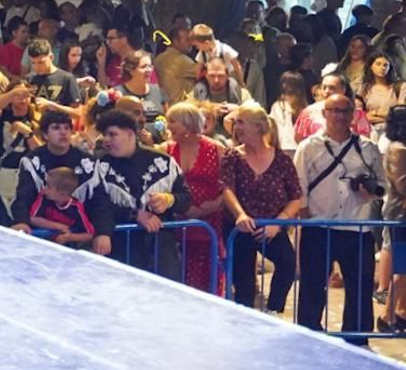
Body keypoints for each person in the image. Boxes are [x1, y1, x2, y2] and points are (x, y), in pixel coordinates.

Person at [293, 92, 385, 343]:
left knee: (359, 288)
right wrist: (304, 213)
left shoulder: (367, 148)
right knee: (312, 285)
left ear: (353, 115)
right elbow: (298, 183)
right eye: (333, 110)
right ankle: (309, 335)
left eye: (345, 111)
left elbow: (382, 185)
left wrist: (370, 190)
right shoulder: (308, 147)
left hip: (357, 226)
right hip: (318, 224)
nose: (339, 116)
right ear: (324, 113)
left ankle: (355, 339)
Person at [87, 109, 191, 278]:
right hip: (121, 250)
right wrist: (134, 214)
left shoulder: (163, 162)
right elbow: (97, 205)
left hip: (160, 250)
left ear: (129, 134)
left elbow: (186, 199)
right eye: (104, 135)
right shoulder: (100, 165)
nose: (106, 140)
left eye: (112, 135)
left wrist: (169, 199)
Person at [220, 105, 302, 313]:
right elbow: (226, 188)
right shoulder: (233, 157)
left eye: (241, 122)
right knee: (244, 279)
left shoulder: (281, 160)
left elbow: (296, 197)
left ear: (257, 127)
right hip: (242, 226)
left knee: (287, 264)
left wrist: (278, 222)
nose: (236, 127)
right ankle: (245, 321)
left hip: (271, 225)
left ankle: (273, 310)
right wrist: (240, 215)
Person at [164, 103, 225, 293]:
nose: (168, 126)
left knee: (208, 278)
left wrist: (212, 206)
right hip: (177, 222)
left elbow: (230, 186)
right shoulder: (165, 149)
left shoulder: (217, 149)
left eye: (173, 121)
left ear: (188, 123)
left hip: (210, 221)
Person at [10, 109, 95, 228]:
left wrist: (102, 233)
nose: (63, 132)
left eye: (67, 128)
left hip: (78, 230)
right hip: (40, 229)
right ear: (45, 134)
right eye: (56, 128)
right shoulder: (32, 161)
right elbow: (23, 197)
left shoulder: (87, 162)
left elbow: (98, 200)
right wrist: (22, 222)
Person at [381, 105, 406, 332]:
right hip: (400, 213)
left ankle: (398, 313)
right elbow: (402, 182)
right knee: (401, 268)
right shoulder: (398, 149)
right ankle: (387, 315)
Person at [27, 167, 96, 247]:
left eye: (48, 186)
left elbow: (90, 234)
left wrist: (70, 237)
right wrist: (58, 226)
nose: (44, 188)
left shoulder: (76, 208)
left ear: (62, 194)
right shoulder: (43, 197)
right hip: (39, 242)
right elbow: (32, 219)